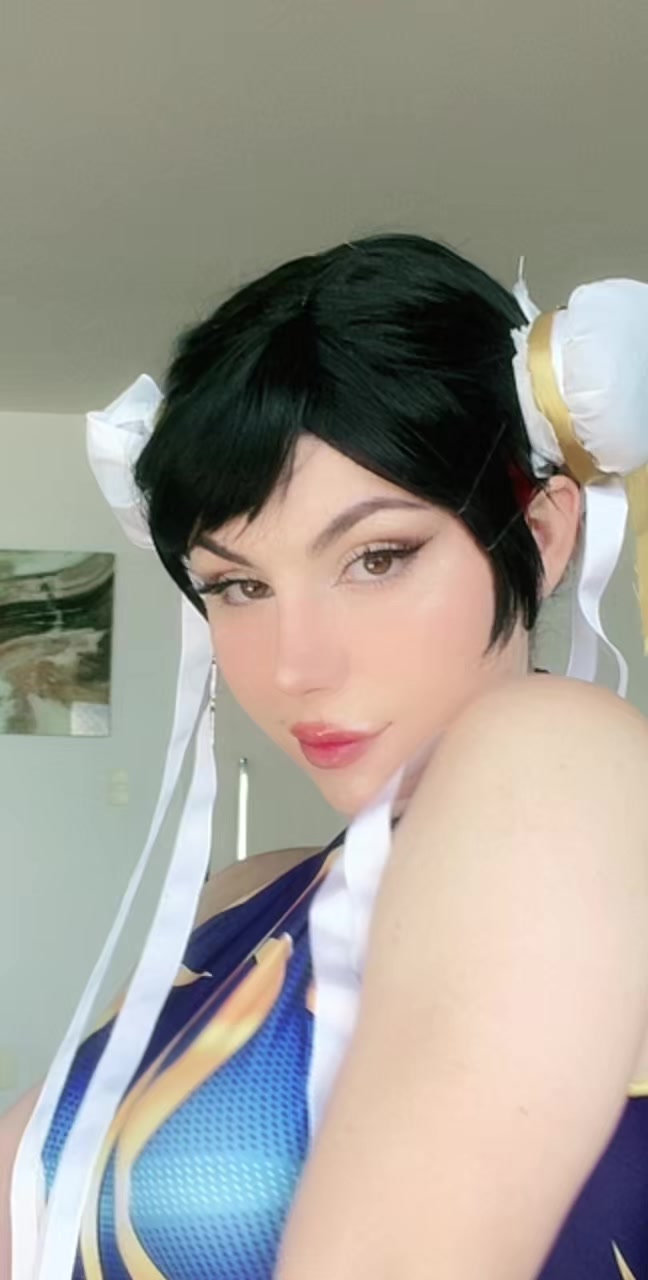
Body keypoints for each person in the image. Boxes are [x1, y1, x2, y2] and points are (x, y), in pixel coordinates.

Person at [4, 233, 648, 1280]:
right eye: (238, 584)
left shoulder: (561, 756)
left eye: (377, 558)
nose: (294, 666)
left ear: (540, 535)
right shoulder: (244, 898)